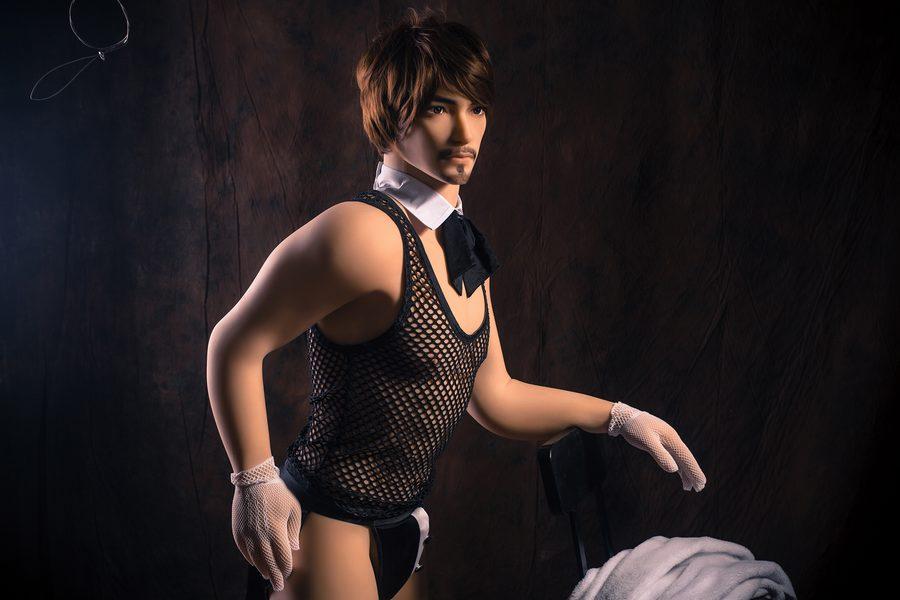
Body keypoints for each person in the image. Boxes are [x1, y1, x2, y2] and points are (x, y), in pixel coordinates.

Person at [206, 7, 707, 600]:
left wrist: (619, 417)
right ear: (392, 115)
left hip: (404, 528)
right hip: (328, 528)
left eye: (477, 108)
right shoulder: (360, 233)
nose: (466, 133)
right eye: (439, 108)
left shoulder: (458, 242)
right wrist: (254, 480)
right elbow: (233, 344)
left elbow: (495, 397)